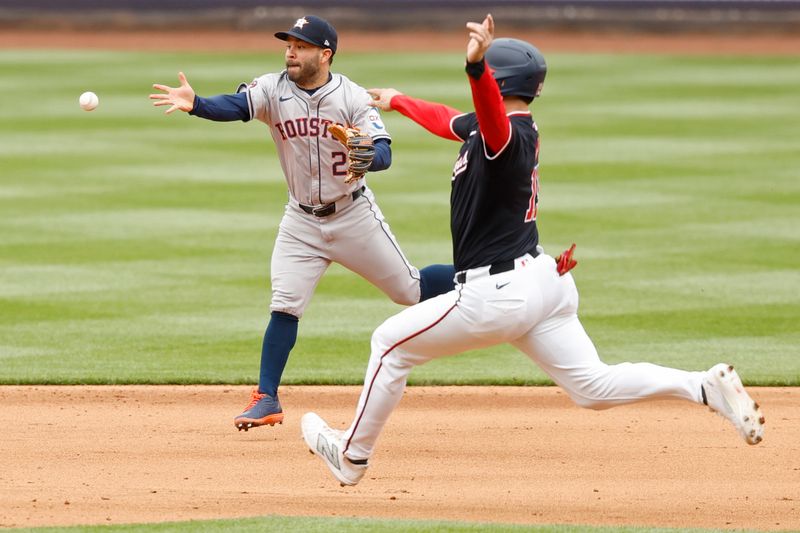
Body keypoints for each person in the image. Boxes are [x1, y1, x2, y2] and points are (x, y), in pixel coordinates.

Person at [300, 14, 765, 487]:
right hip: (544, 284)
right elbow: (450, 121)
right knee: (592, 386)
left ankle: (352, 457)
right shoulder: (505, 127)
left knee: (388, 345)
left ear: (497, 81)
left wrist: (475, 66)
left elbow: (484, 113)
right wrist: (397, 99)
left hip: (496, 294)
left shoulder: (505, 136)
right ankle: (701, 386)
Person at [150, 15, 455, 431]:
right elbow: (237, 106)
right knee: (285, 304)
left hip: (352, 216)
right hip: (300, 222)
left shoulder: (351, 96)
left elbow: (383, 152)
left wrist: (365, 155)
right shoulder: (272, 88)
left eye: (301, 45)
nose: (290, 51)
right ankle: (266, 398)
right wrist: (198, 104)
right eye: (288, 43)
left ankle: (477, 274)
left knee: (410, 290)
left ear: (325, 54)